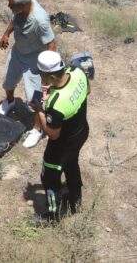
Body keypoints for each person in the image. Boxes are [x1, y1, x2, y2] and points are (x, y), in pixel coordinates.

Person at [32, 51, 90, 220]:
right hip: (81, 132)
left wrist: (40, 111)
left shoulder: (55, 104)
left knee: (49, 177)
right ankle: (75, 200)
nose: (41, 78)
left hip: (62, 144)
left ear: (50, 76)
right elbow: (88, 91)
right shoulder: (77, 72)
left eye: (42, 75)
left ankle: (53, 213)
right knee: (71, 164)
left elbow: (53, 134)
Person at [0, 0, 56, 149]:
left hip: (33, 59)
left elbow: (52, 44)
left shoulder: (40, 20)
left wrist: (45, 70)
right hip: (18, 52)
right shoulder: (21, 7)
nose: (8, 6)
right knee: (8, 82)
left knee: (34, 98)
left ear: (22, 5)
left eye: (11, 5)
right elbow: (14, 19)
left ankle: (37, 130)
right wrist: (6, 34)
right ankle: (9, 102)